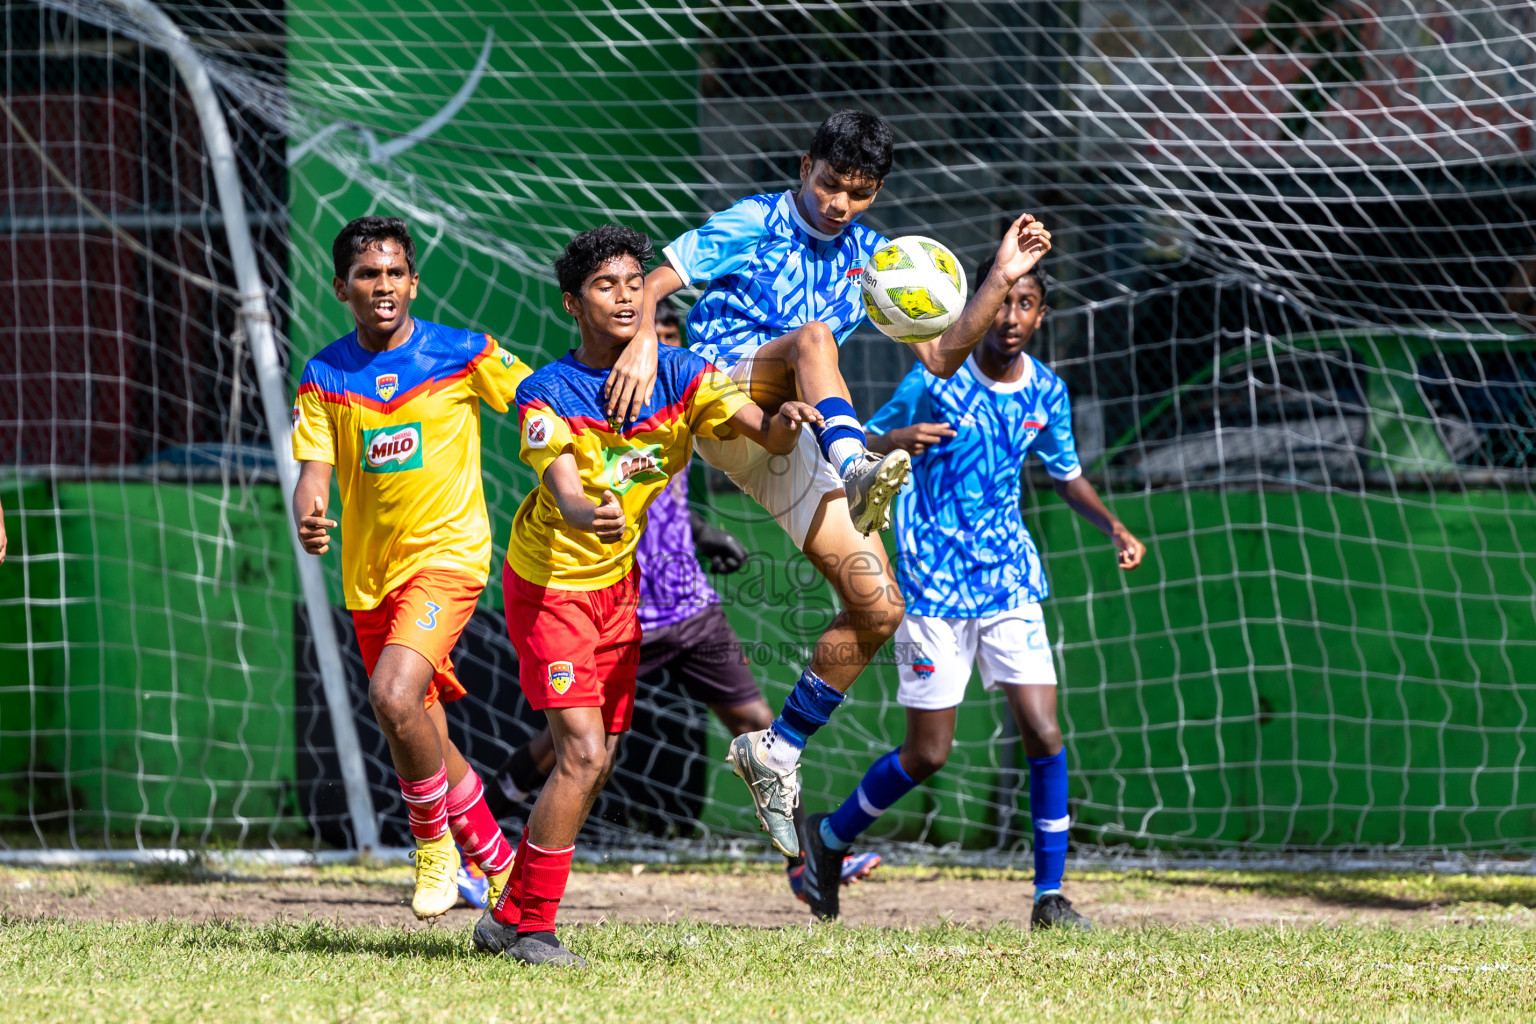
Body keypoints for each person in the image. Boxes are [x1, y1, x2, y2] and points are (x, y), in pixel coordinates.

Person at [599, 108, 1053, 858]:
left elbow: (941, 355)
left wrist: (1000, 275)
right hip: (718, 398)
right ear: (804, 165)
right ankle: (855, 463)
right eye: (831, 183)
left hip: (794, 426)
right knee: (814, 337)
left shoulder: (874, 259)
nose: (841, 203)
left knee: (877, 609)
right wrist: (645, 343)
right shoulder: (753, 220)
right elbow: (653, 282)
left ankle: (776, 749)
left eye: (861, 191)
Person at [473, 225, 822, 967]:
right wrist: (578, 507)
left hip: (618, 590)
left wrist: (787, 423)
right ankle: (533, 927)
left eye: (636, 281)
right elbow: (562, 484)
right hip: (550, 586)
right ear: (573, 303)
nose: (627, 295)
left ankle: (506, 916)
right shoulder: (547, 391)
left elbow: (762, 434)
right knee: (580, 754)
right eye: (606, 285)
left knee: (598, 760)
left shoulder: (686, 374)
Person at [485, 300, 881, 903]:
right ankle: (485, 834)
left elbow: (670, 497)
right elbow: (593, 489)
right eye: (650, 339)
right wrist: (589, 514)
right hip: (613, 600)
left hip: (690, 606)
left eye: (665, 339)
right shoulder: (572, 399)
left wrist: (704, 533)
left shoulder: (683, 389)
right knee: (576, 752)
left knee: (760, 729)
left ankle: (804, 864)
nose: (653, 354)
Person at [795, 260, 1146, 928]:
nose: (1012, 317)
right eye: (1004, 301)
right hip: (932, 585)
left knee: (1044, 731)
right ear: (976, 309)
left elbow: (1066, 475)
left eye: (1028, 304)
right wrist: (895, 439)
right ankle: (831, 837)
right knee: (929, 753)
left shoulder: (1047, 391)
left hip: (1009, 579)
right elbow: (860, 439)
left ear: (1043, 316)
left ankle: (1050, 896)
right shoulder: (933, 378)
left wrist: (1114, 526)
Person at [290, 216, 529, 920]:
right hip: (370, 578)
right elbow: (313, 470)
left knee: (394, 695)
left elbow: (538, 404)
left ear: (414, 282)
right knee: (415, 724)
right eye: (368, 275)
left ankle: (433, 851)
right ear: (343, 288)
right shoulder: (325, 374)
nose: (383, 286)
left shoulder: (465, 353)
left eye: (395, 273)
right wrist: (310, 511)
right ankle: (498, 858)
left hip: (451, 558)